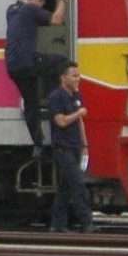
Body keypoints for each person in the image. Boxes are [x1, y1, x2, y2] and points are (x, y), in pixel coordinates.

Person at [3, 0, 72, 148]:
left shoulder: (11, 10)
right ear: (38, 0)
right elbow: (57, 20)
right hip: (28, 61)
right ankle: (54, 100)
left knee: (30, 102)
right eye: (41, 5)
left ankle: (38, 144)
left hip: (13, 66)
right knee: (61, 62)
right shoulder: (31, 9)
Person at [45, 60, 94, 233]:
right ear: (63, 77)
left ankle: (57, 224)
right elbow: (61, 121)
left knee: (64, 189)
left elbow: (80, 123)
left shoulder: (76, 96)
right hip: (62, 148)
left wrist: (85, 144)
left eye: (78, 75)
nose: (77, 79)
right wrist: (78, 113)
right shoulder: (56, 97)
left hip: (75, 147)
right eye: (74, 76)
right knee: (78, 184)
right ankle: (87, 222)